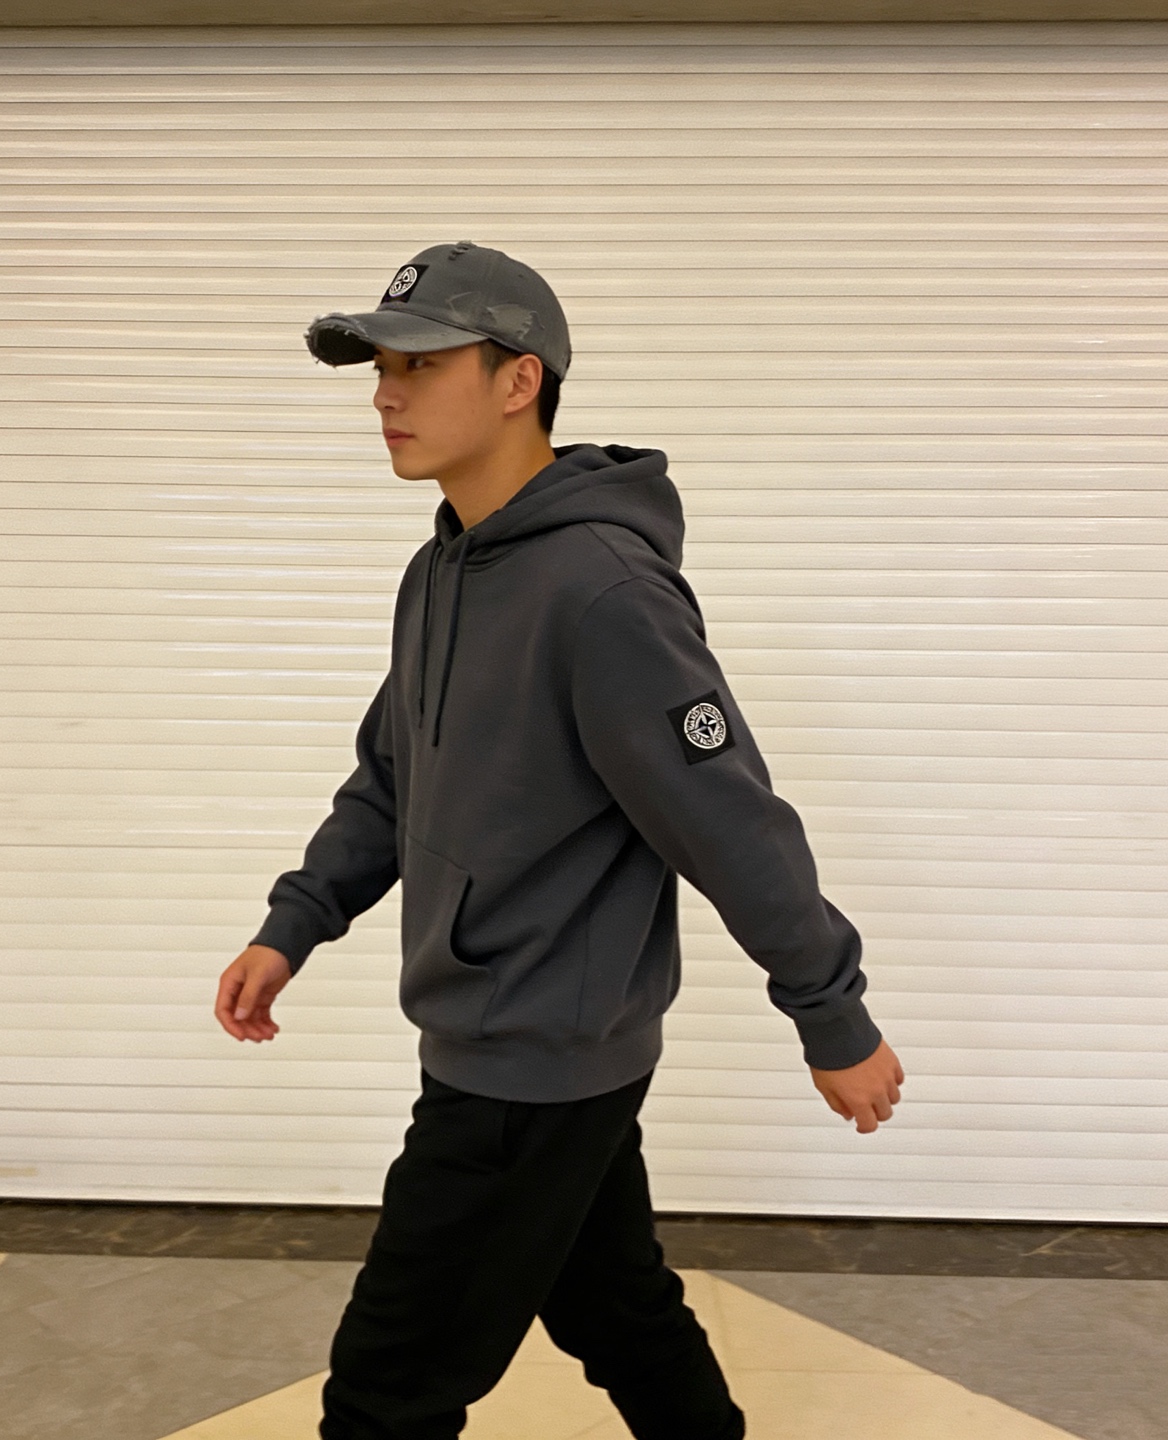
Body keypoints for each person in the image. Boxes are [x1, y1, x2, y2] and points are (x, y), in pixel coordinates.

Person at [214, 240, 905, 1440]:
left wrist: (831, 1014)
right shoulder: (442, 569)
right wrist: (296, 924)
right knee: (614, 1304)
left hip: (524, 1067)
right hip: (519, 1044)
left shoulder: (603, 594)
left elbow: (730, 822)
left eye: (421, 365)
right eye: (379, 367)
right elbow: (391, 777)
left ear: (519, 380)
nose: (385, 394)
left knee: (387, 1387)